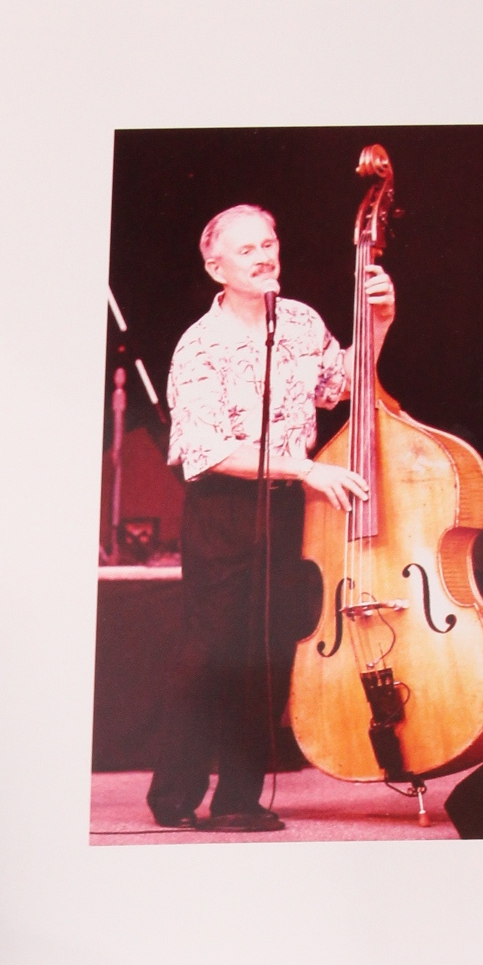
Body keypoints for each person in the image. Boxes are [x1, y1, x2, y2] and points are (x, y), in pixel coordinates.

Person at [147, 202, 395, 832]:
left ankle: (238, 797)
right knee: (210, 652)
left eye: (269, 242)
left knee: (267, 652)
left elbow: (342, 385)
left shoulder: (302, 322)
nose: (264, 256)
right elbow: (207, 450)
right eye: (248, 249)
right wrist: (307, 468)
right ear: (216, 267)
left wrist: (380, 323)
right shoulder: (198, 346)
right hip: (225, 510)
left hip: (286, 510)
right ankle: (174, 793)